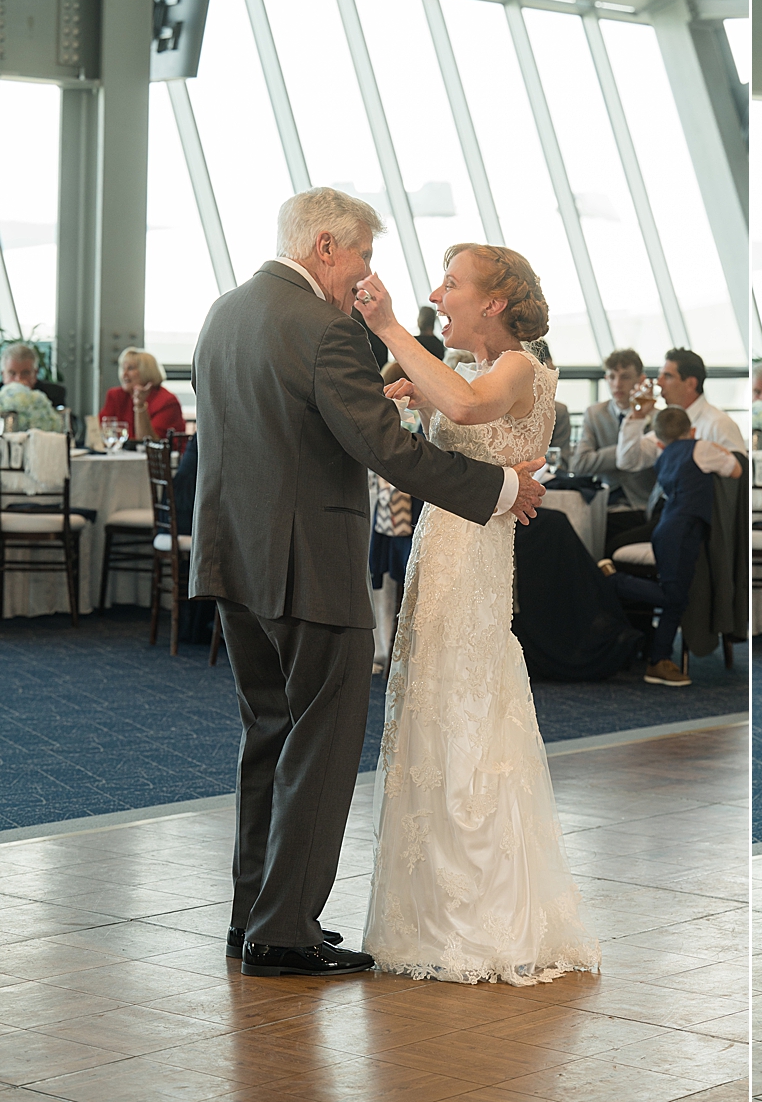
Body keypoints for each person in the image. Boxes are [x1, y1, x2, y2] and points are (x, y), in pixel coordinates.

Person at [190, 188, 546, 979]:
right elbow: (388, 449)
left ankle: (251, 915)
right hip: (307, 565)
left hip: (231, 561)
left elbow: (267, 429)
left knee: (268, 736)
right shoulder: (324, 329)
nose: (368, 275)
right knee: (319, 742)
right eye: (364, 257)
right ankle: (284, 931)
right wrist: (497, 491)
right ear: (325, 247)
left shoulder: (223, 313)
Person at [356, 242, 599, 985]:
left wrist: (393, 327)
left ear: (495, 302)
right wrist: (399, 392)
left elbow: (467, 410)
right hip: (442, 547)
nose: (438, 293)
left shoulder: (519, 368)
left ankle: (480, 913)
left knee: (467, 711)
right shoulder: (467, 369)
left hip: (473, 559)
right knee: (432, 709)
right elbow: (433, 420)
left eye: (452, 283)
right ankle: (430, 909)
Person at [603, 405, 741, 687]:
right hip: (684, 532)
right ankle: (616, 582)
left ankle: (659, 659)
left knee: (675, 599)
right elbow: (736, 470)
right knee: (675, 596)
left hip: (666, 529)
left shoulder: (664, 456)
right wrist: (719, 451)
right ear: (692, 431)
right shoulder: (701, 448)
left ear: (659, 441)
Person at [574, 349, 658, 544]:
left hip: (641, 504)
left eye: (625, 377)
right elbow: (580, 464)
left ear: (641, 379)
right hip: (603, 503)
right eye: (612, 377)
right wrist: (628, 448)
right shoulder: (595, 414)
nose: (617, 384)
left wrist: (606, 456)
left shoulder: (655, 419)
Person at [617, 347, 746, 468]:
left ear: (690, 383)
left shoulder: (718, 424)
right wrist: (637, 416)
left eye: (667, 376)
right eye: (660, 376)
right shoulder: (668, 422)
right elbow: (627, 462)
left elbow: (739, 475)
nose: (659, 383)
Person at [99, 348, 185, 440]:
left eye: (130, 368)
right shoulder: (116, 395)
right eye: (123, 368)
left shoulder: (167, 401)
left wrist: (140, 406)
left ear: (147, 371)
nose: (124, 374)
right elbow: (99, 432)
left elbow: (147, 441)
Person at [1, 342, 65, 408]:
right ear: (3, 374)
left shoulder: (53, 393)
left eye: (25, 373)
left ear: (35, 373)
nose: (18, 379)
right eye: (12, 373)